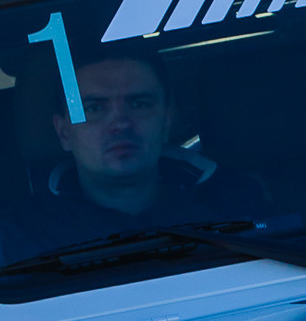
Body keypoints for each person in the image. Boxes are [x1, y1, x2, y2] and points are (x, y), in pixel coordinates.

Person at [43, 51, 221, 223]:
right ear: (63, 132)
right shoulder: (25, 235)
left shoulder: (237, 209)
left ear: (167, 121)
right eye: (94, 108)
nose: (121, 123)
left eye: (139, 104)